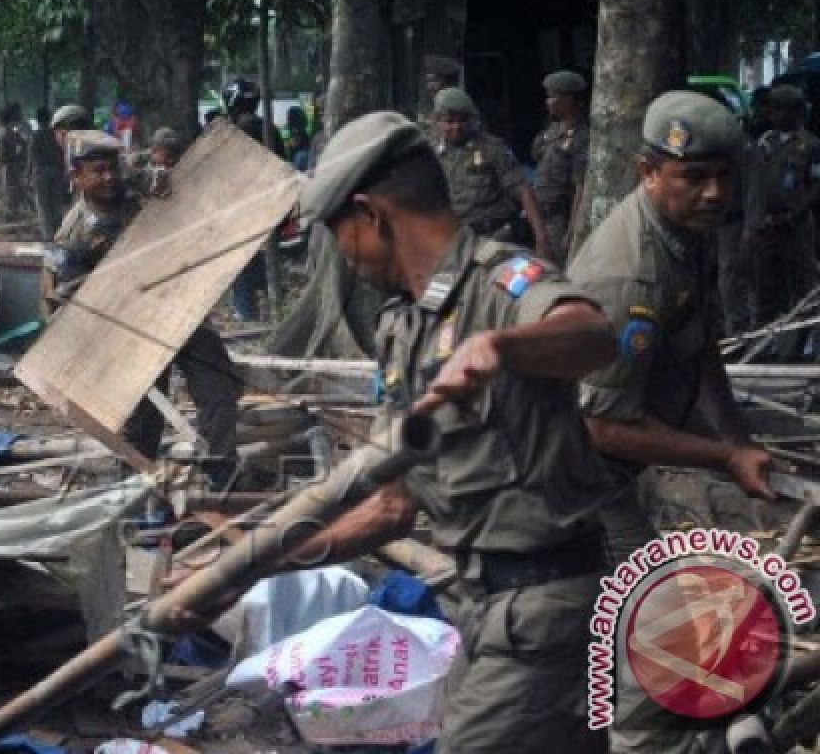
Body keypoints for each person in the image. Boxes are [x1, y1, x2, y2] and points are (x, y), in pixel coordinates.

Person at [201, 110, 618, 752]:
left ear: (370, 215)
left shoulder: (502, 283)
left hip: (547, 606)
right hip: (485, 609)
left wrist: (504, 347)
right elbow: (392, 508)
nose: (343, 256)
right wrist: (260, 565)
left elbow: (591, 333)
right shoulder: (404, 327)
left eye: (338, 235)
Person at [568, 91, 773, 753]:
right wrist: (723, 460)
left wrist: (736, 438)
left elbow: (700, 342)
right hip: (575, 471)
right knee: (652, 611)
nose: (714, 193)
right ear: (647, 172)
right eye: (694, 177)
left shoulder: (685, 234)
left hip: (618, 461)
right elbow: (599, 426)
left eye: (723, 175)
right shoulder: (626, 276)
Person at [51, 131, 240, 487]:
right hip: (126, 330)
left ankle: (219, 472)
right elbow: (64, 298)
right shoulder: (73, 234)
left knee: (218, 383)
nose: (109, 178)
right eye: (98, 171)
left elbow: (162, 175)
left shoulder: (136, 195)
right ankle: (137, 488)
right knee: (141, 418)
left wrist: (164, 181)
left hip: (175, 311)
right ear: (77, 178)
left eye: (112, 170)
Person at [430, 87, 551, 258]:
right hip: (456, 243)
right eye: (450, 122)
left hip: (495, 238)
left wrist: (541, 237)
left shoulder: (492, 149)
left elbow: (523, 191)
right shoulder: (432, 154)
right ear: (438, 122)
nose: (456, 127)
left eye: (462, 121)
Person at [746, 84, 820, 328]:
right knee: (766, 289)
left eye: (782, 109)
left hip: (794, 228)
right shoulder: (764, 142)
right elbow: (754, 185)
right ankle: (767, 342)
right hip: (765, 229)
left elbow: (816, 187)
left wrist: (791, 216)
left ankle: (805, 339)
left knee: (802, 287)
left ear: (797, 112)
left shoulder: (810, 146)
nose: (775, 115)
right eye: (773, 108)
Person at [223, 77, 283, 320]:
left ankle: (246, 312)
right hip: (271, 204)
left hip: (245, 207)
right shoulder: (270, 129)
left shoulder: (236, 131)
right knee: (264, 260)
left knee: (242, 263)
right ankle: (271, 307)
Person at [531, 70, 590, 265]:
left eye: (554, 96)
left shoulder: (582, 137)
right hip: (540, 216)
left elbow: (580, 187)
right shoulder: (551, 132)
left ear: (570, 99)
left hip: (560, 219)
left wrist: (572, 230)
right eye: (548, 96)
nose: (549, 102)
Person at [29, 106, 69, 241]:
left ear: (38, 119)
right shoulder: (56, 134)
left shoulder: (36, 135)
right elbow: (62, 153)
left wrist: (27, 175)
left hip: (40, 172)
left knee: (43, 205)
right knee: (56, 204)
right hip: (56, 171)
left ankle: (48, 236)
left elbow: (32, 156)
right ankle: (59, 232)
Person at [0, 102, 30, 223]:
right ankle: (10, 219)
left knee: (12, 193)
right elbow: (0, 154)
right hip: (7, 167)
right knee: (10, 194)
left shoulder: (10, 132)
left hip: (11, 167)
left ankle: (12, 219)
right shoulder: (6, 133)